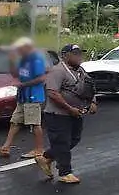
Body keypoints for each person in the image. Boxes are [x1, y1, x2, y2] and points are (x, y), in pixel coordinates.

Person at [39, 44, 98, 184]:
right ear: (65, 55)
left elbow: (89, 86)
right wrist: (69, 108)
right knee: (62, 142)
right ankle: (65, 172)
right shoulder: (57, 71)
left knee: (74, 139)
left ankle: (46, 157)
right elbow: (52, 93)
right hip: (57, 114)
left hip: (76, 113)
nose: (79, 56)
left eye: (80, 54)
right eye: (75, 53)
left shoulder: (81, 71)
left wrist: (93, 102)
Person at [0, 37, 47, 160]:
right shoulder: (23, 60)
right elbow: (15, 74)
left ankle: (39, 149)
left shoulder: (36, 60)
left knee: (34, 123)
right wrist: (11, 61)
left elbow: (41, 78)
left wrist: (23, 84)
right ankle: (6, 147)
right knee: (15, 122)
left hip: (33, 97)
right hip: (23, 97)